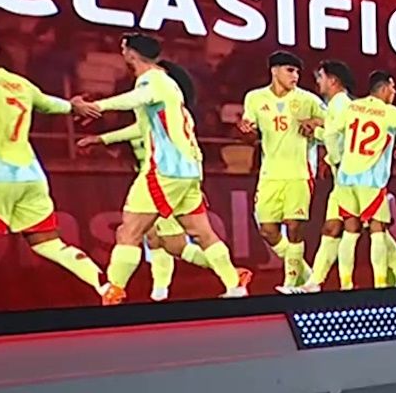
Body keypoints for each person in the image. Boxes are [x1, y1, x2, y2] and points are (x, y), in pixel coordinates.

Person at [73, 35, 250, 304]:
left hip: (165, 171)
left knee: (129, 232)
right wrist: (101, 139)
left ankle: (113, 292)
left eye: (123, 48)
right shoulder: (169, 89)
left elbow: (137, 98)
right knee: (201, 234)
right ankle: (234, 284)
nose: (122, 52)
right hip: (188, 171)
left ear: (131, 54)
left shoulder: (153, 80)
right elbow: (142, 128)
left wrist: (96, 106)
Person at [0, 20, 109, 308]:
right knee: (49, 243)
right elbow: (50, 104)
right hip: (31, 176)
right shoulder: (18, 82)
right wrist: (75, 106)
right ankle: (104, 284)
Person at [320, 71, 396, 290]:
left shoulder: (352, 107)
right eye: (393, 89)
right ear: (384, 88)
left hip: (346, 179)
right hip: (371, 182)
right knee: (378, 231)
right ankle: (380, 285)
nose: (394, 93)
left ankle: (346, 285)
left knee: (350, 232)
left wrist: (336, 159)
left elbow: (329, 133)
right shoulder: (387, 112)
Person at [78, 120, 217, 300]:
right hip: (148, 185)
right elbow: (128, 138)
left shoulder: (166, 122)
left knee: (173, 245)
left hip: (166, 185)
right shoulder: (142, 123)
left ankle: (229, 271)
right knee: (153, 239)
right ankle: (159, 293)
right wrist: (98, 143)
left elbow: (190, 152)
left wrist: (194, 186)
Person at [237, 51, 325, 291]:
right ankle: (306, 274)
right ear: (274, 71)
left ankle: (290, 284)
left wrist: (316, 123)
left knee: (295, 226)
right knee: (267, 230)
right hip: (270, 174)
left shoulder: (308, 99)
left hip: (300, 172)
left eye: (297, 72)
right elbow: (250, 135)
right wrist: (245, 131)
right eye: (290, 70)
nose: (295, 76)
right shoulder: (255, 98)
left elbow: (335, 123)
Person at [287, 61, 355, 292]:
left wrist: (315, 130)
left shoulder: (341, 104)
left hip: (353, 180)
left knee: (376, 232)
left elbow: (338, 137)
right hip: (342, 179)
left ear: (333, 80)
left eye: (321, 77)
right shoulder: (336, 104)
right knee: (331, 228)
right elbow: (337, 136)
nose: (318, 81)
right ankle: (314, 283)